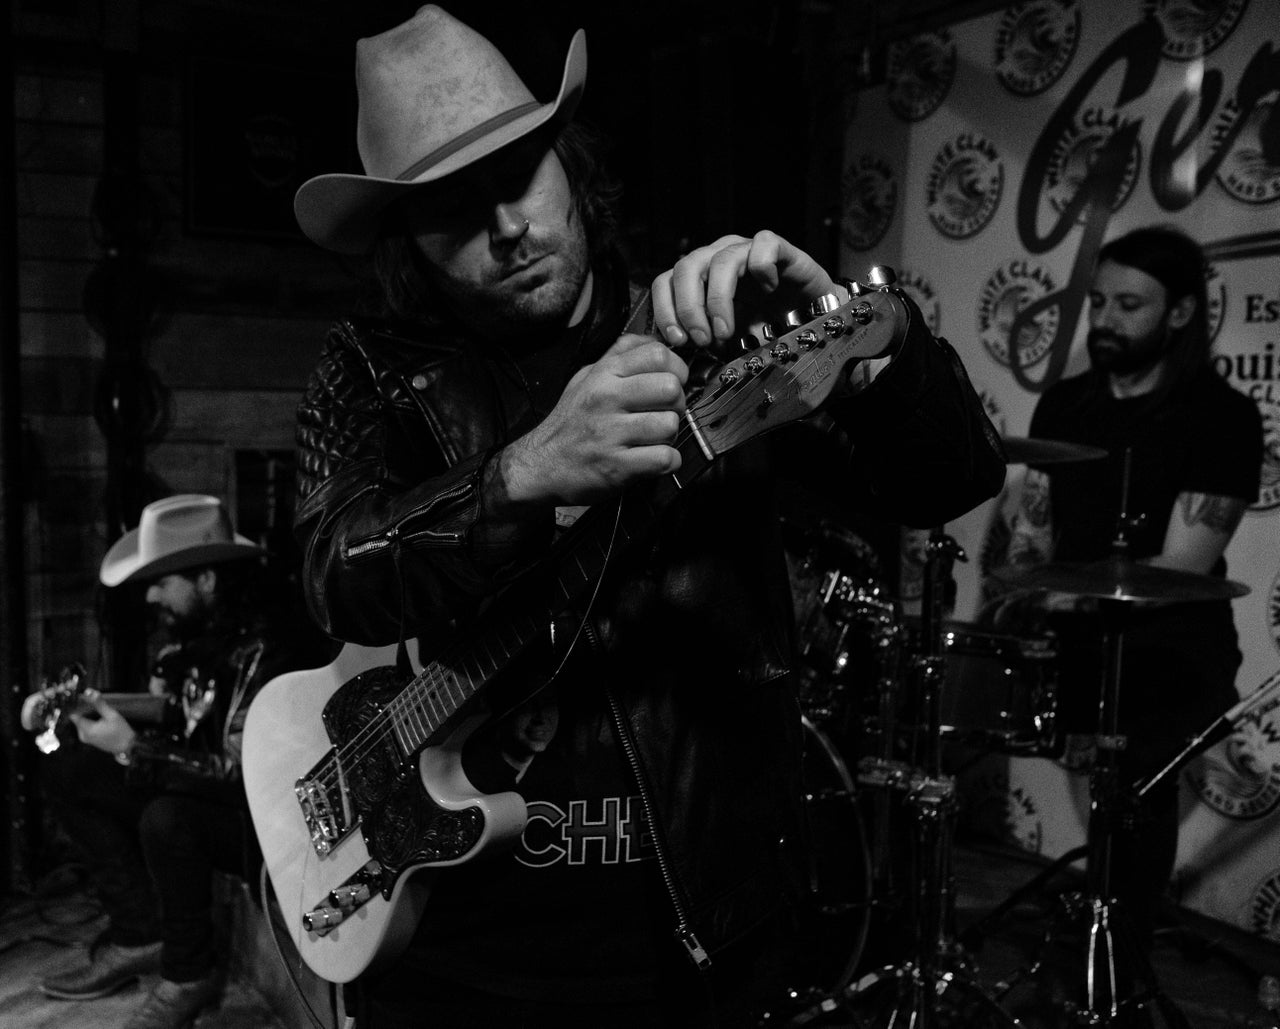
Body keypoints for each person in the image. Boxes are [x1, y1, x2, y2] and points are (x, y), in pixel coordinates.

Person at [288, 6, 1005, 1026]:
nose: (505, 229)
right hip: (461, 941)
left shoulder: (707, 324)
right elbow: (330, 571)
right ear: (405, 239)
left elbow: (951, 479)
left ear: (568, 164)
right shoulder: (370, 368)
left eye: (518, 176)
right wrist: (519, 475)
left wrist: (866, 357)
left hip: (702, 928)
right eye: (452, 211)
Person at [998, 225, 1263, 946]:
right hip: (1078, 638)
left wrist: (1072, 594)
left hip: (1171, 653)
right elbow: (1036, 529)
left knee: (1138, 807)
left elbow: (1180, 567)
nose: (1105, 321)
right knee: (1093, 806)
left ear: (1179, 314)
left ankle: (1123, 965)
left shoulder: (1224, 417)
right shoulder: (1065, 405)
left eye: (1129, 305)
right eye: (1098, 302)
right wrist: (1026, 573)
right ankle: (1094, 936)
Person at [22, 494, 317, 1029]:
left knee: (168, 816)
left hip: (261, 819)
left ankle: (189, 974)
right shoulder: (208, 637)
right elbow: (187, 716)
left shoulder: (267, 647)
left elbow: (237, 773)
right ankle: (140, 931)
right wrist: (93, 705)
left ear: (207, 581)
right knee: (67, 763)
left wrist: (132, 748)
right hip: (203, 783)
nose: (152, 593)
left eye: (164, 580)